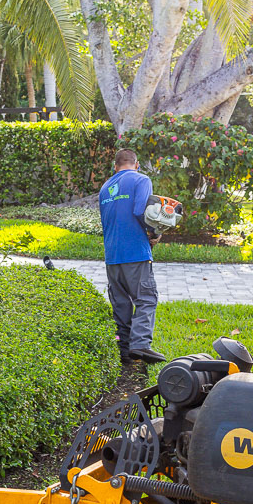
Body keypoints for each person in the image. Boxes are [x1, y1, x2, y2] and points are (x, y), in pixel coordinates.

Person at [98, 149, 166, 365]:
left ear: (115, 166)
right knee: (146, 298)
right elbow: (141, 211)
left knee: (121, 304)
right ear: (136, 164)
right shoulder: (141, 179)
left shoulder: (105, 188)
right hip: (135, 252)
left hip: (112, 256)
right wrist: (155, 233)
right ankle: (141, 345)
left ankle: (125, 351)